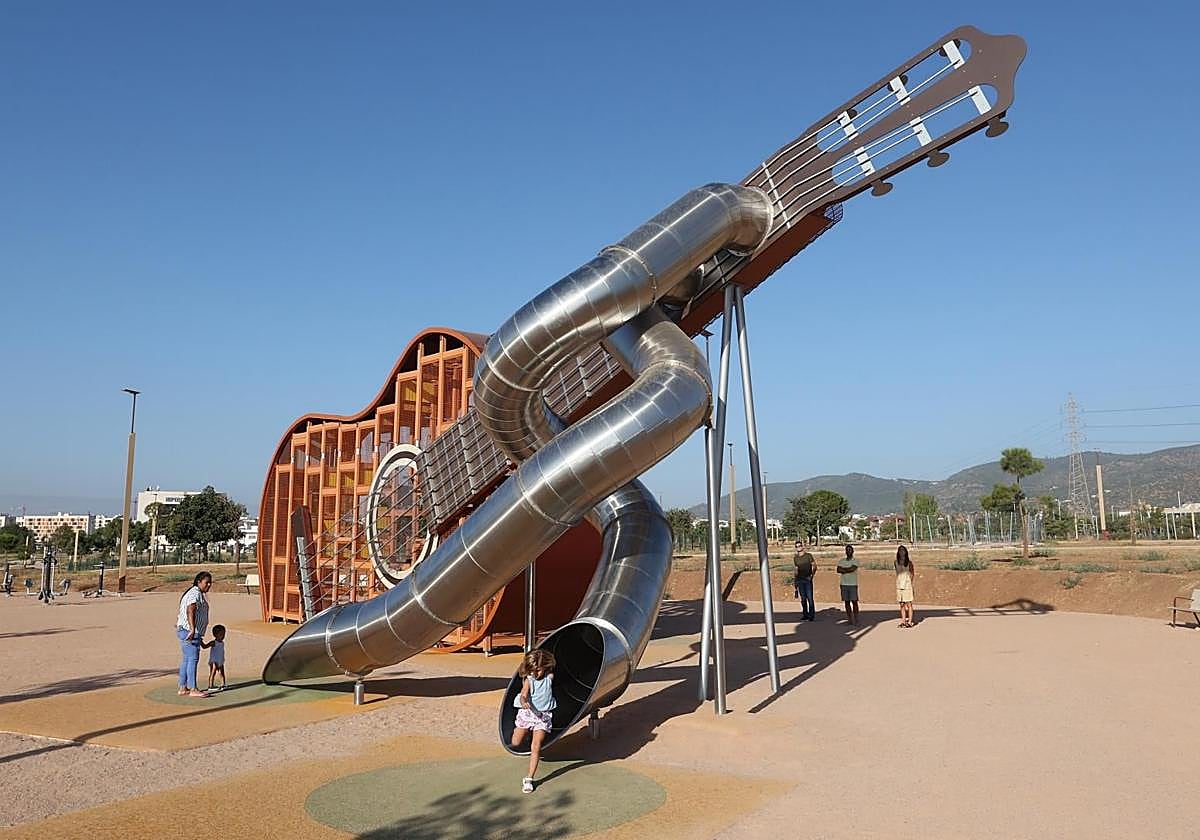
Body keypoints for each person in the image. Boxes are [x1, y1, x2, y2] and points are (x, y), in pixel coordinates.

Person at [510, 648, 556, 794]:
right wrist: (523, 701)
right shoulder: (529, 680)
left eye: (539, 670)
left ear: (545, 668)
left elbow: (551, 666)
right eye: (533, 670)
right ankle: (524, 732)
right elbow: (524, 694)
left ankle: (529, 779)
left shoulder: (550, 677)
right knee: (516, 742)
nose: (536, 674)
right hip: (527, 714)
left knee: (536, 746)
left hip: (542, 717)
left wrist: (543, 660)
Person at [176, 571, 212, 697]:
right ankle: (193, 688)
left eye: (210, 583)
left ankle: (183, 687)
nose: (208, 585)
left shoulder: (196, 593)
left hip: (189, 632)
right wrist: (192, 629)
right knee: (192, 659)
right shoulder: (195, 593)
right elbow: (190, 609)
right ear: (198, 582)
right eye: (206, 582)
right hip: (189, 632)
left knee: (187, 660)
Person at [792, 539, 817, 621]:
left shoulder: (808, 556)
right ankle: (805, 614)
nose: (798, 548)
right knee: (803, 599)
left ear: (802, 547)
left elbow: (814, 566)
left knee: (810, 598)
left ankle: (811, 615)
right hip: (800, 580)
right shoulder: (795, 558)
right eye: (796, 547)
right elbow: (796, 569)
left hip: (807, 579)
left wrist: (811, 575)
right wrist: (795, 580)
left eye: (799, 546)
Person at [836, 544, 860, 626]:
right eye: (847, 550)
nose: (848, 551)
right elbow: (838, 569)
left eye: (850, 550)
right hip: (844, 584)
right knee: (846, 602)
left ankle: (856, 619)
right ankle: (849, 619)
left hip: (853, 584)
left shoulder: (855, 560)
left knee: (854, 602)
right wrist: (847, 569)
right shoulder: (841, 560)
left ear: (852, 551)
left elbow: (852, 569)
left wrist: (844, 570)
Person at [895, 545, 916, 628]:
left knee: (909, 603)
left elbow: (912, 573)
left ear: (905, 552)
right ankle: (903, 620)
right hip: (899, 584)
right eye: (900, 550)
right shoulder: (896, 562)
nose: (901, 552)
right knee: (901, 604)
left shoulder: (909, 562)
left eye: (903, 550)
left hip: (907, 584)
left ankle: (910, 621)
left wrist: (910, 582)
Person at [202, 624, 227, 691]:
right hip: (214, 660)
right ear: (215, 635)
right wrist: (200, 641)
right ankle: (210, 685)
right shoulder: (213, 642)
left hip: (220, 660)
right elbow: (204, 646)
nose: (223, 636)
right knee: (213, 672)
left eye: (224, 634)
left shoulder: (222, 642)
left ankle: (223, 684)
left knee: (222, 672)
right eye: (221, 634)